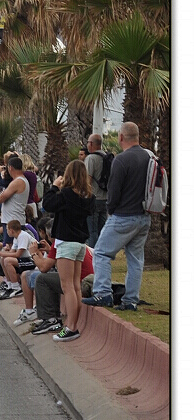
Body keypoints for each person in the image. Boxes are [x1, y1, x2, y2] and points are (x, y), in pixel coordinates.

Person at [82, 122, 154, 312]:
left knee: (101, 252)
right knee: (135, 259)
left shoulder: (121, 160)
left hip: (123, 215)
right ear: (137, 136)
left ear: (121, 137)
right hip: (144, 216)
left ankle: (103, 293)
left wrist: (111, 210)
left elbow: (113, 192)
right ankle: (130, 300)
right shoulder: (150, 156)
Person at [41, 159, 95, 340]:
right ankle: (73, 324)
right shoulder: (88, 197)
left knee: (67, 286)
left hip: (66, 243)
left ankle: (70, 326)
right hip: (80, 244)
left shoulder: (65, 194)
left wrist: (54, 187)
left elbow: (47, 204)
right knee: (76, 286)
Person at [84, 133, 110, 247]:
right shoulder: (107, 157)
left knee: (92, 231)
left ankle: (93, 256)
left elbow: (87, 179)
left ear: (91, 144)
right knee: (102, 231)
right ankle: (102, 254)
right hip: (105, 199)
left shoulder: (90, 158)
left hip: (93, 199)